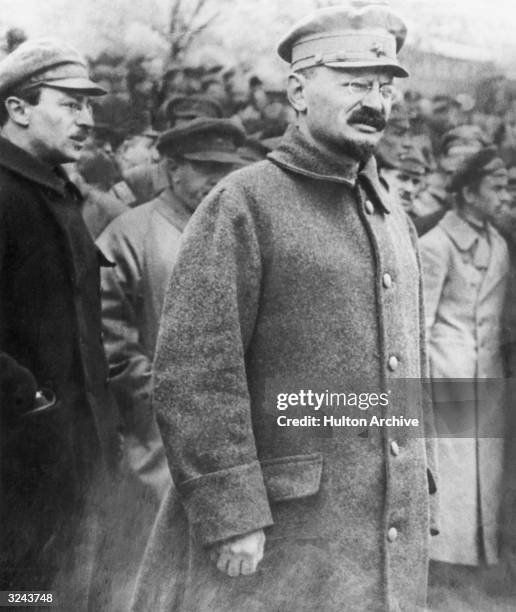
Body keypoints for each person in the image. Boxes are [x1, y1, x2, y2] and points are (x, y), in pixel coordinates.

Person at [132, 3, 438, 611]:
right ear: (298, 90)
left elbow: (408, 364)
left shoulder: (392, 215)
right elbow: (195, 374)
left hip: (382, 528)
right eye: (354, 82)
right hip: (281, 536)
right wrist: (232, 512)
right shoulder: (243, 202)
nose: (375, 101)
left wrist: (416, 484)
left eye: (384, 86)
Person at [94, 117, 245, 610]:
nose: (218, 181)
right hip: (154, 439)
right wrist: (170, 407)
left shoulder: (240, 232)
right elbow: (111, 346)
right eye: (205, 169)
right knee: (147, 571)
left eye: (227, 169)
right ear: (172, 168)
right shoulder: (129, 234)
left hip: (233, 437)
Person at [0, 37, 120, 605]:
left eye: (89, 106)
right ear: (18, 109)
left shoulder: (56, 192)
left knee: (63, 596)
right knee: (23, 598)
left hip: (72, 456)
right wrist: (31, 401)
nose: (87, 120)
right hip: (18, 461)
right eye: (70, 104)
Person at [419, 147, 511, 610]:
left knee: (484, 478)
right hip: (448, 378)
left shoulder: (498, 242)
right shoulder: (435, 245)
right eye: (495, 186)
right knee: (453, 479)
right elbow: (419, 326)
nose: (505, 193)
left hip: (487, 379)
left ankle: (477, 560)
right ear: (468, 192)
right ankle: (443, 569)